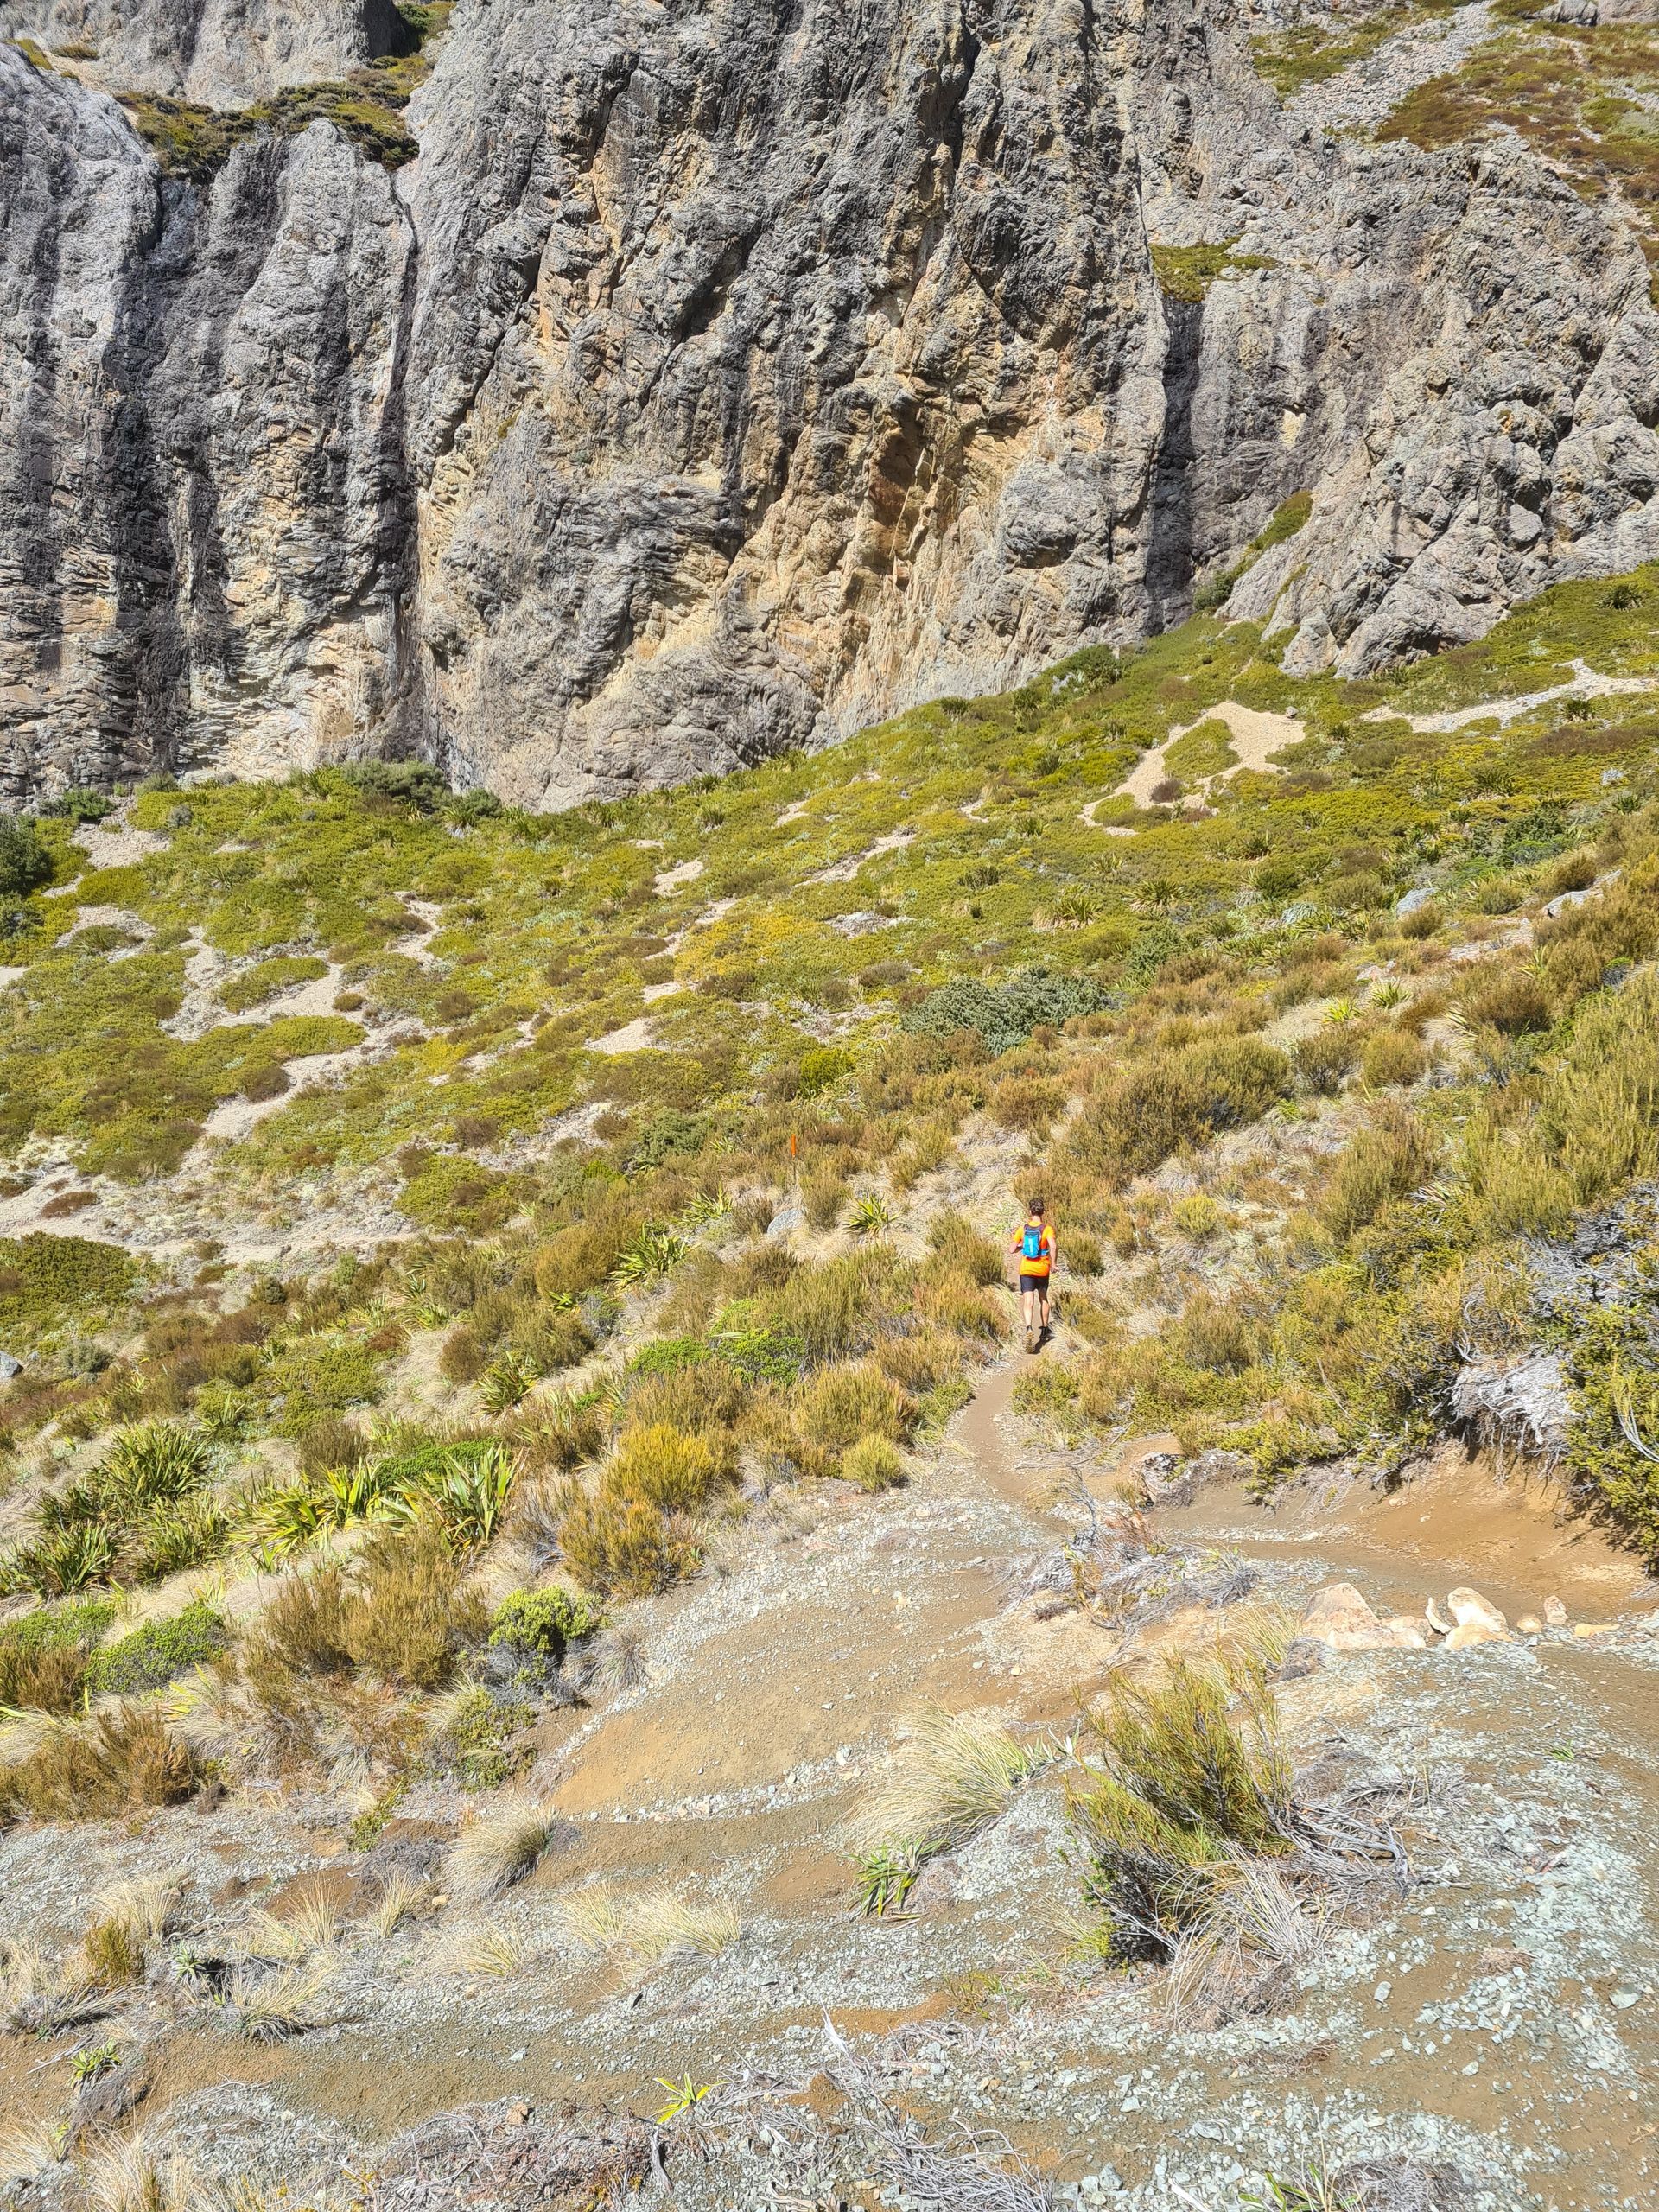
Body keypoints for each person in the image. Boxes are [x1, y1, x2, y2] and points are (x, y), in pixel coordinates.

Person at [1009, 1198, 1055, 1353]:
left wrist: (1021, 1247)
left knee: (1028, 1300)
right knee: (1043, 1298)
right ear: (1043, 1212)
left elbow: (1011, 1249)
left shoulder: (1023, 1229)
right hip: (1042, 1269)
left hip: (1026, 1269)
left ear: (1030, 1212)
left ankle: (1028, 1327)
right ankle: (1045, 1330)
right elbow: (1053, 1246)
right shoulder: (1047, 1229)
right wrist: (1054, 1264)